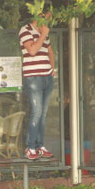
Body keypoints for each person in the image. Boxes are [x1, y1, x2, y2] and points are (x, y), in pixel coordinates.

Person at [19, 10, 56, 160]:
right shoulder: (25, 30)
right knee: (36, 112)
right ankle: (30, 147)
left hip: (47, 77)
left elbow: (50, 52)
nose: (48, 19)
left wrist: (52, 69)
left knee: (43, 114)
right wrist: (42, 35)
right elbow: (32, 50)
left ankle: (40, 146)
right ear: (39, 16)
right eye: (46, 16)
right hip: (33, 78)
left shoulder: (44, 32)